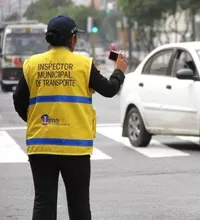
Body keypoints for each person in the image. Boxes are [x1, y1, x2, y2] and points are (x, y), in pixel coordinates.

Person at [12, 14, 127, 220]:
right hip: (75, 147)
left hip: (41, 145)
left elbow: (19, 101)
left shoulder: (32, 64)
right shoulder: (83, 64)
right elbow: (109, 90)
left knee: (44, 202)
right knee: (79, 203)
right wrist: (119, 71)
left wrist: (37, 123)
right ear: (72, 39)